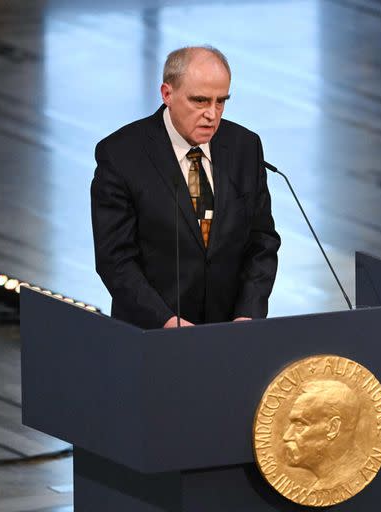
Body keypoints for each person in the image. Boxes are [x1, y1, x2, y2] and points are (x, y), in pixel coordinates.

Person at [90, 46, 280, 329]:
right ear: (167, 94)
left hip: (230, 337)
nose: (212, 115)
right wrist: (166, 321)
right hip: (153, 336)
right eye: (200, 101)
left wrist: (248, 315)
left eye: (221, 102)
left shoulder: (244, 147)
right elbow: (116, 260)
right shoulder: (121, 155)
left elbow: (262, 241)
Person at [282, 381, 366, 490]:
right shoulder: (325, 484)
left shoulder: (350, 474)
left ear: (333, 428)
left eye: (300, 424)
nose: (286, 436)